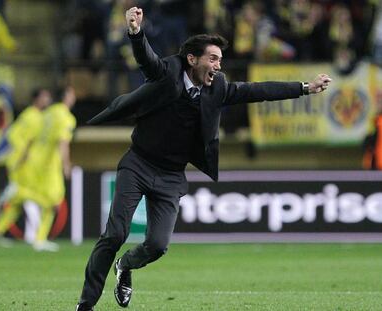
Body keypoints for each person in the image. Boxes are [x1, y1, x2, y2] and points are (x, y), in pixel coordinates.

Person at [76, 6, 332, 310]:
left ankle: (125, 266)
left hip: (171, 177)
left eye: (220, 60)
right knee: (115, 233)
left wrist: (305, 88)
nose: (218, 66)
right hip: (138, 164)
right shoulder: (168, 72)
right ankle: (86, 304)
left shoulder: (218, 88)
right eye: (213, 59)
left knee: (158, 246)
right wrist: (135, 32)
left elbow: (258, 90)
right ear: (192, 59)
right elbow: (147, 59)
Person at [0, 88, 51, 246]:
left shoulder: (32, 115)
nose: (47, 100)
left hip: (24, 163)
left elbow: (14, 134)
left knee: (17, 204)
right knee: (33, 197)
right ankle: (37, 237)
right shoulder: (33, 117)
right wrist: (22, 156)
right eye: (45, 97)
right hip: (23, 164)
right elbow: (21, 139)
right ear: (36, 99)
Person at [26, 86, 77, 252]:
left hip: (36, 159)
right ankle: (39, 238)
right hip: (50, 163)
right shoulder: (66, 117)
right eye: (72, 94)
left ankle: (39, 237)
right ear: (67, 97)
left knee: (47, 199)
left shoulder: (48, 112)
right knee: (54, 199)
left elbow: (35, 134)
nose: (74, 97)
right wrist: (66, 164)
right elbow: (63, 142)